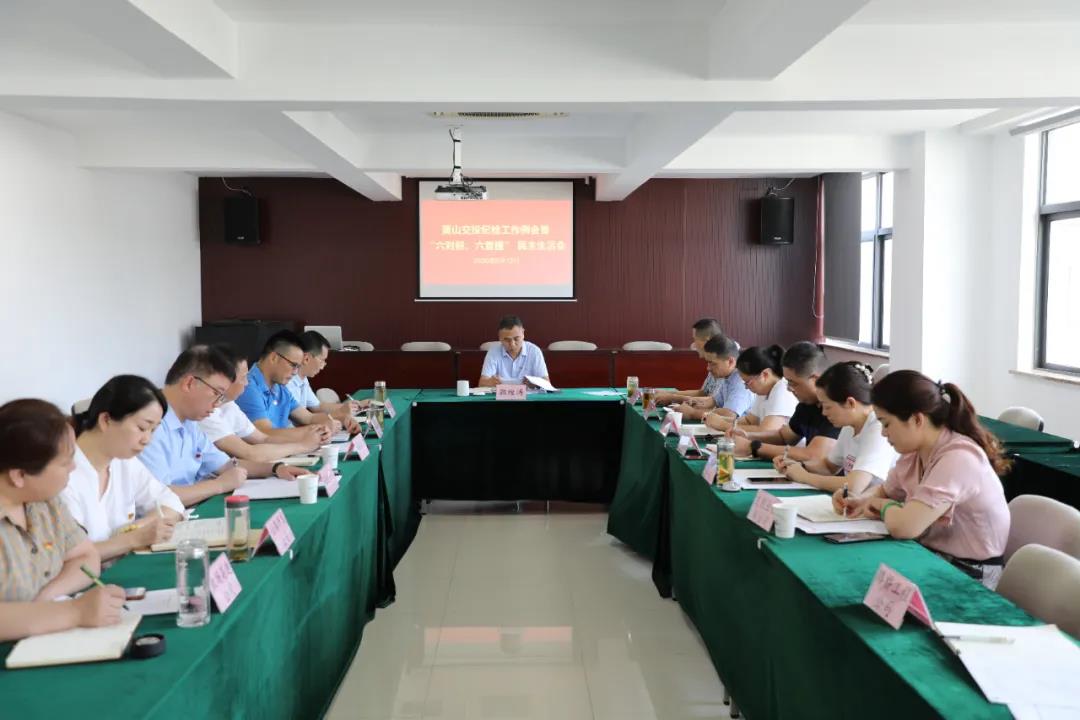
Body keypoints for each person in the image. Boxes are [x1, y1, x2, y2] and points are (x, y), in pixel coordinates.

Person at [836, 371, 1012, 589]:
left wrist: (882, 505)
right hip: (932, 556)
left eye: (886, 424)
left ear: (917, 419)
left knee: (860, 584)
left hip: (970, 574)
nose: (883, 433)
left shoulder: (959, 458)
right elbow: (885, 491)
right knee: (850, 574)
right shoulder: (915, 451)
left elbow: (905, 527)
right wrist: (859, 500)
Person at [0, 399, 125, 642]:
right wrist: (74, 612)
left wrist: (46, 598)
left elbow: (85, 556)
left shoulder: (44, 502)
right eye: (65, 462)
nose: (73, 468)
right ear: (19, 476)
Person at [139, 345, 307, 507]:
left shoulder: (190, 421)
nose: (217, 404)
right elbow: (158, 499)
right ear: (189, 383)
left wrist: (275, 468)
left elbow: (225, 465)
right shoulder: (147, 425)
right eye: (216, 393)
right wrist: (219, 485)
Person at [62, 376, 185, 562]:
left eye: (153, 430)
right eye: (142, 428)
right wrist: (134, 538)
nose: (147, 440)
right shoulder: (62, 476)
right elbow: (70, 554)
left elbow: (171, 502)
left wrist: (142, 527)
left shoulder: (123, 461)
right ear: (106, 420)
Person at [776, 362, 898, 494]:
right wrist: (798, 466)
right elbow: (828, 467)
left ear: (850, 403)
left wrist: (805, 477)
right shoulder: (850, 425)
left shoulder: (879, 428)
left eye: (827, 406)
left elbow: (854, 485)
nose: (824, 413)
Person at [200, 345, 325, 462]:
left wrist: (311, 437)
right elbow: (249, 453)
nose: (246, 383)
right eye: (243, 377)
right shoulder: (205, 413)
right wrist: (303, 446)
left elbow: (263, 439)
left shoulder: (229, 405)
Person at [731, 341, 840, 462]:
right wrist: (747, 436)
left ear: (815, 380)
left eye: (793, 383)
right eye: (787, 382)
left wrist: (753, 447)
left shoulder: (837, 406)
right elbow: (784, 437)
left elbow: (813, 455)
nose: (789, 388)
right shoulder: (806, 404)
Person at [235, 331, 342, 437]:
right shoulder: (248, 387)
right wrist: (314, 431)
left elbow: (308, 418)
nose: (295, 372)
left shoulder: (280, 387)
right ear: (274, 358)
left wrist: (331, 421)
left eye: (298, 367)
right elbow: (265, 432)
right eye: (293, 365)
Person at [704, 345, 796, 434]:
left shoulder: (782, 390)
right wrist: (721, 419)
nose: (746, 387)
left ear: (765, 375)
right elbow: (749, 421)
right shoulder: (764, 391)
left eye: (747, 382)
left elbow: (767, 431)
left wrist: (723, 425)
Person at [285, 331, 364, 433]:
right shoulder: (287, 383)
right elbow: (304, 421)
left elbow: (318, 407)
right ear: (307, 358)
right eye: (322, 360)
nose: (323, 366)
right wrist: (340, 415)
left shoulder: (303, 379)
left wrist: (346, 411)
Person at [673, 335, 753, 421]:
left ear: (730, 362)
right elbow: (714, 401)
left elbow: (728, 415)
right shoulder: (728, 377)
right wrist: (694, 402)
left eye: (713, 363)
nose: (708, 368)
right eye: (708, 363)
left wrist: (693, 413)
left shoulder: (741, 382)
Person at [655, 318, 725, 406]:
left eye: (695, 339)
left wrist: (672, 397)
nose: (694, 345)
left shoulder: (724, 365)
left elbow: (713, 401)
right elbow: (703, 393)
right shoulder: (712, 362)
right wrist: (668, 394)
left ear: (707, 341)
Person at [478, 315, 549, 386]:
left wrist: (535, 384)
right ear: (500, 338)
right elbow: (482, 383)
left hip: (527, 392)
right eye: (507, 340)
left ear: (523, 333)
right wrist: (489, 382)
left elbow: (546, 383)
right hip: (501, 393)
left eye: (516, 339)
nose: (512, 344)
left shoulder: (534, 351)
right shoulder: (494, 351)